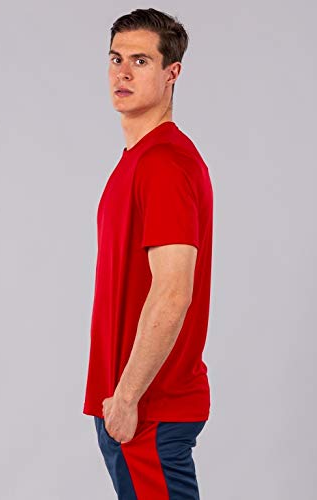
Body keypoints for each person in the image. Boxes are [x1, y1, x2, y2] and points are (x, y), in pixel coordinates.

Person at [82, 7, 214, 499]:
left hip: (147, 408)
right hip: (133, 406)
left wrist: (127, 396)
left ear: (171, 73)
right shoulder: (139, 161)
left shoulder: (163, 163)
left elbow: (173, 291)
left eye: (141, 61)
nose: (123, 72)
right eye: (116, 58)